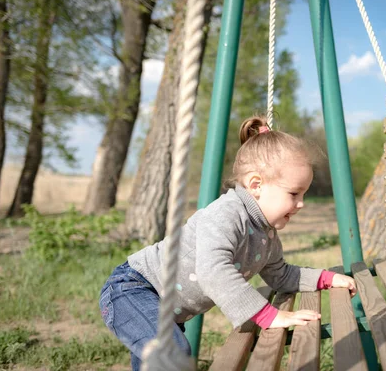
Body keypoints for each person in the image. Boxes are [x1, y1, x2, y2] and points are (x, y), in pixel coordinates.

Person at [99, 115, 357, 370]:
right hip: (135, 288)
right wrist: (268, 315)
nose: (301, 203)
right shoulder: (227, 214)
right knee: (173, 352)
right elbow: (213, 270)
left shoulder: (265, 234)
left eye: (304, 194)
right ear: (256, 185)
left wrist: (326, 279)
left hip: (165, 308)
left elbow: (281, 275)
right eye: (294, 193)